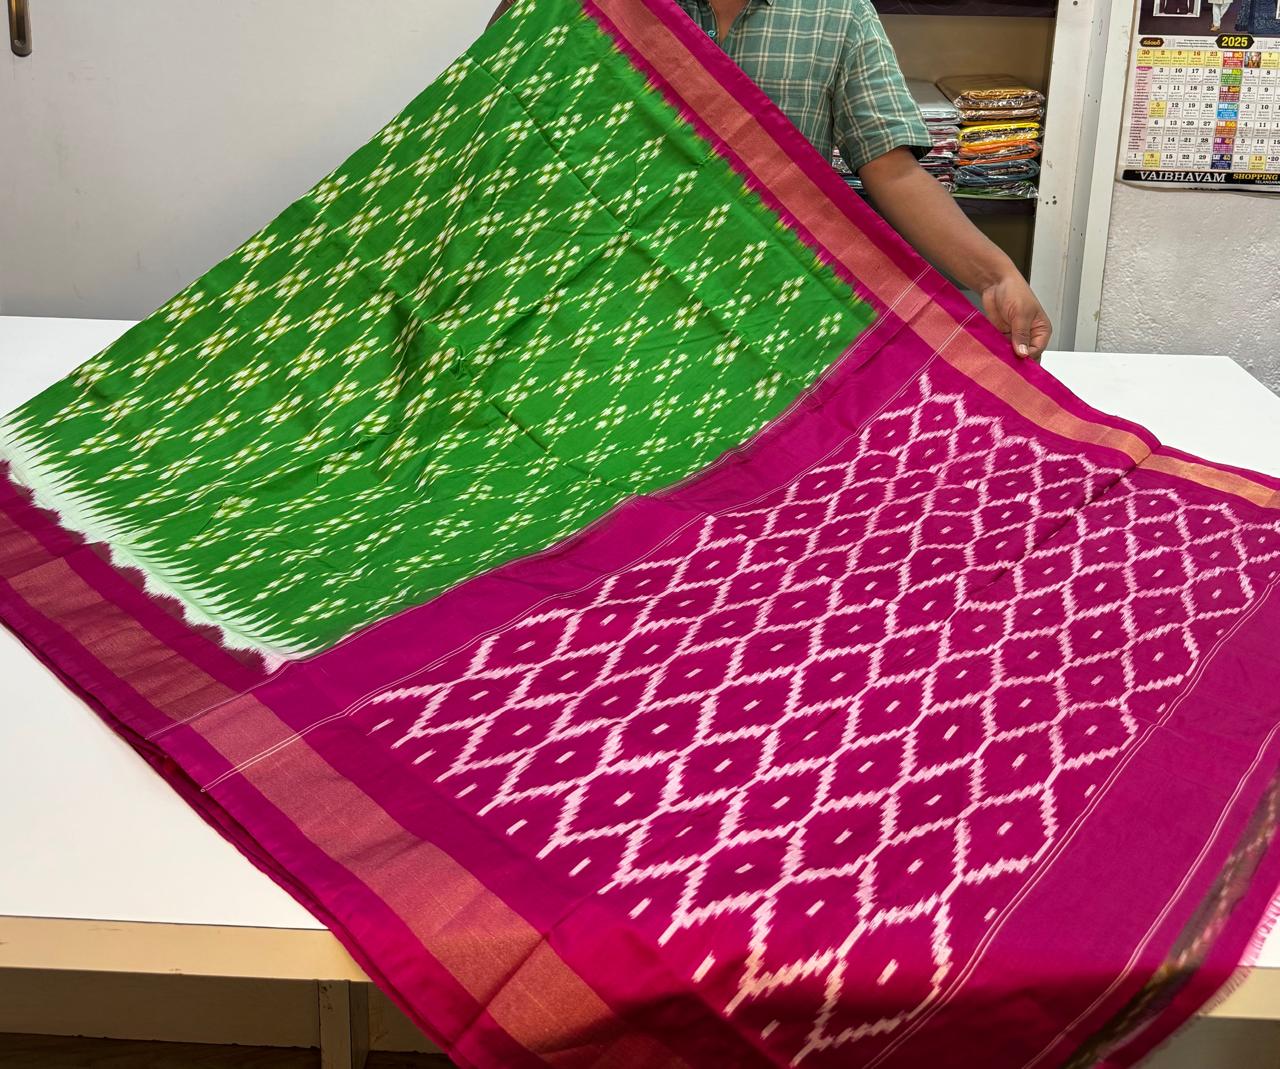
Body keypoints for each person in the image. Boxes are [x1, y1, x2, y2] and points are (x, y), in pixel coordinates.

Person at [487, 0, 1053, 360]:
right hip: (609, 301)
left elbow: (894, 170)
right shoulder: (597, 6)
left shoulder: (837, 13)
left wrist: (995, 276)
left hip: (767, 306)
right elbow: (501, 113)